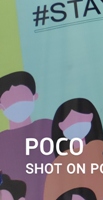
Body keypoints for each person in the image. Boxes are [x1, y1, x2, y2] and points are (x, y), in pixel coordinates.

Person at [44, 98, 103, 200]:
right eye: (69, 123)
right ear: (61, 126)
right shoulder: (59, 163)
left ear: (91, 117)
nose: (75, 126)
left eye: (80, 120)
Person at [0, 71, 53, 199]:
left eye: (21, 96)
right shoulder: (2, 140)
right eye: (9, 99)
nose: (16, 103)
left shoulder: (48, 127)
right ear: (1, 105)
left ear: (35, 96)